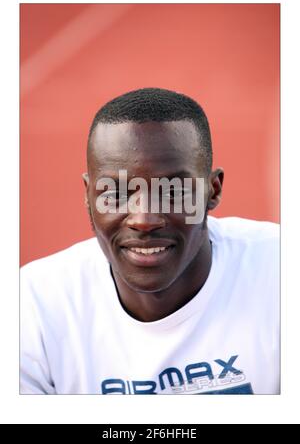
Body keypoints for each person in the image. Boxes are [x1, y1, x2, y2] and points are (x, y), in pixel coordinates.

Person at [20, 87, 279, 395]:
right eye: (116, 193)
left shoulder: (280, 273)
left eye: (173, 191)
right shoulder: (33, 306)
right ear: (89, 197)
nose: (144, 219)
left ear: (213, 191)